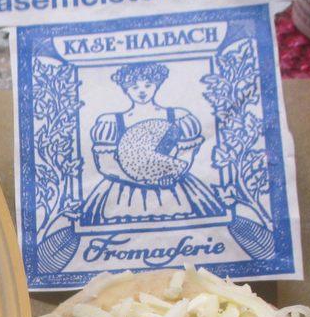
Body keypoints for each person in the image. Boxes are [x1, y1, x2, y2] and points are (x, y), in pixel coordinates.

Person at [79, 61, 230, 227]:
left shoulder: (177, 117)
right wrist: (143, 181)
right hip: (124, 191)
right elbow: (105, 165)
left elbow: (186, 156)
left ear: (156, 85)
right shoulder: (111, 122)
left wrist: (171, 176)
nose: (141, 91)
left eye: (147, 85)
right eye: (134, 87)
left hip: (173, 188)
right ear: (126, 89)